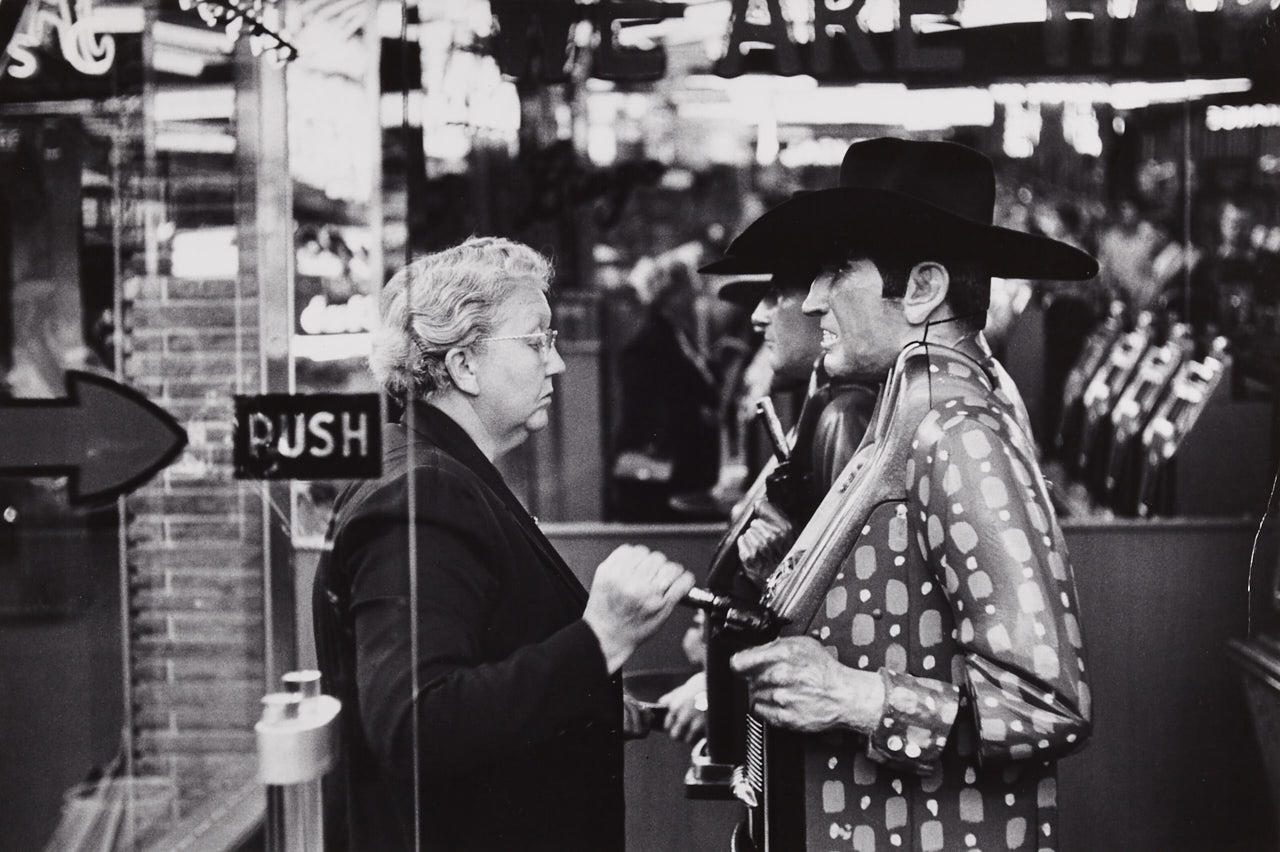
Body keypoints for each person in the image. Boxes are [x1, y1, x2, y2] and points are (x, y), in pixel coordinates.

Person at [705, 138, 1096, 850]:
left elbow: (1049, 704)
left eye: (838, 270)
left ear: (922, 289)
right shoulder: (908, 406)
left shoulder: (959, 431)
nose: (815, 298)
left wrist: (857, 697)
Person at [312, 236, 695, 851]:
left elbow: (486, 659)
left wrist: (582, 708)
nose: (558, 362)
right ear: (464, 364)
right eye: (537, 340)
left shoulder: (438, 473)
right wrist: (601, 640)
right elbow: (418, 722)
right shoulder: (423, 494)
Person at [658, 269, 879, 746]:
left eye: (777, 295)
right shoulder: (810, 412)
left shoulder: (842, 418)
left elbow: (835, 618)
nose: (758, 316)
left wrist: (721, 688)